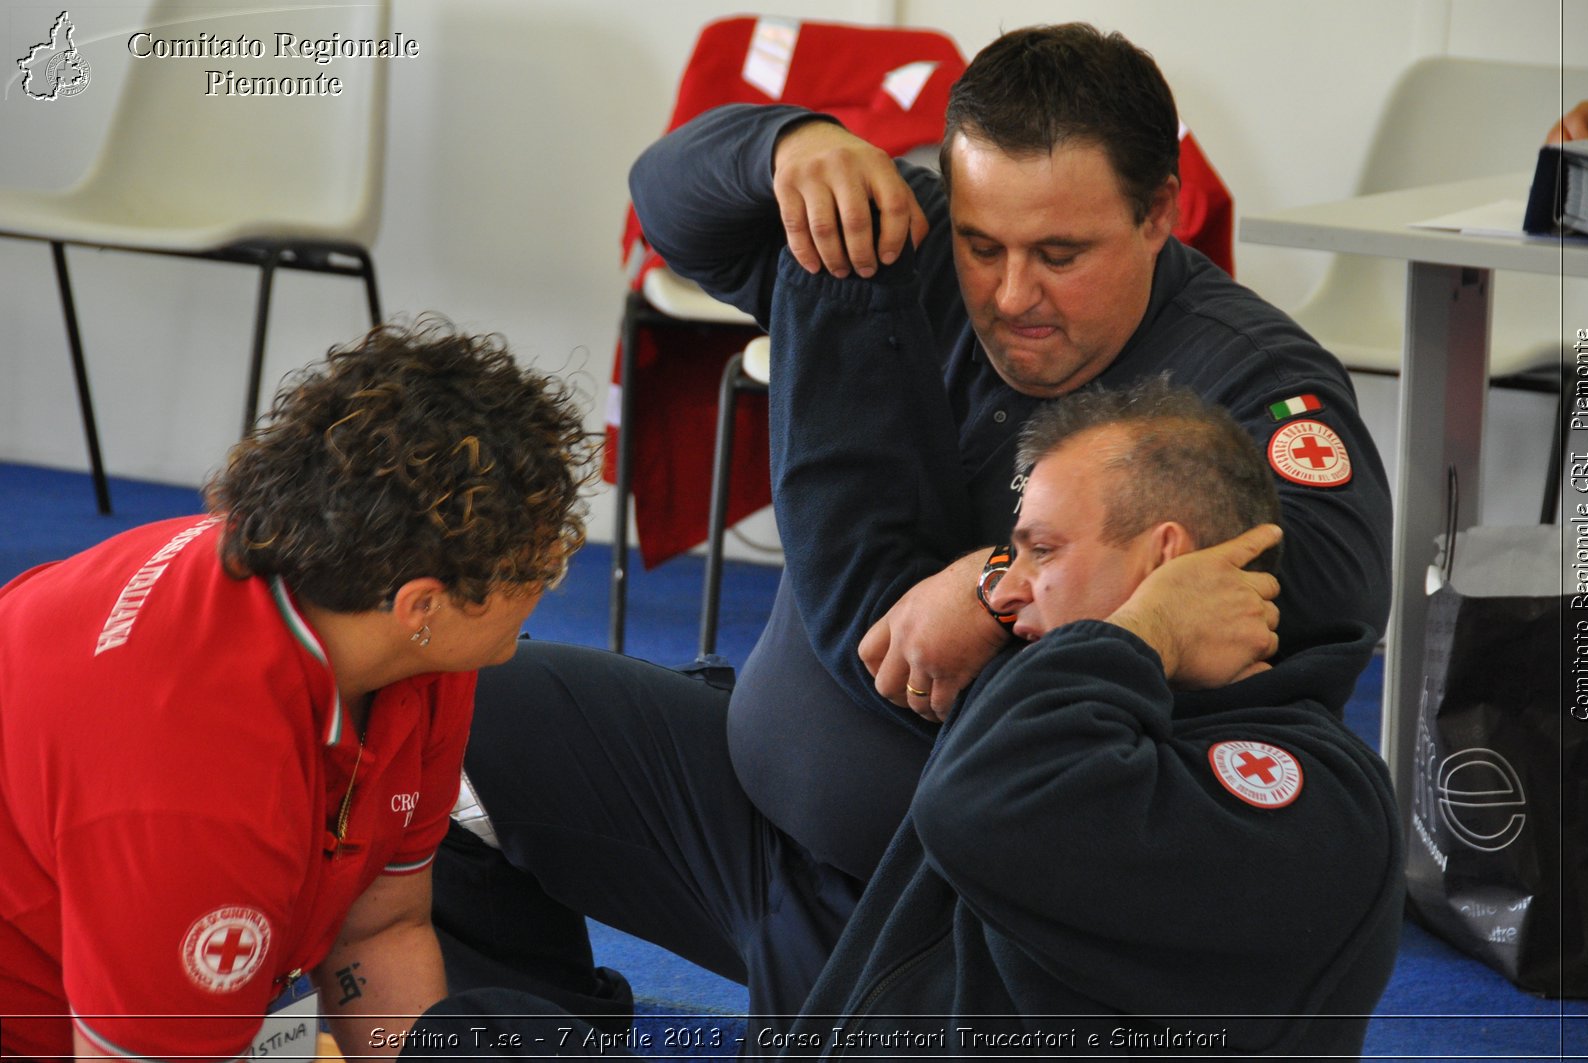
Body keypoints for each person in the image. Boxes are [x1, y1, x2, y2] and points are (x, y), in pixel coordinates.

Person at [436, 21, 1392, 1026]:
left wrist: (1014, 587)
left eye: (1061, 253)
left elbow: (1312, 589)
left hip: (953, 923)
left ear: (1161, 212)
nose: (1013, 294)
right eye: (985, 245)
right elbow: (667, 203)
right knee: (437, 716)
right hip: (749, 804)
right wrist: (788, 148)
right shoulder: (902, 241)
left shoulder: (1253, 379)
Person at [0, 320, 595, 1059]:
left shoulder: (404, 640)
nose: (544, 589)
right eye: (539, 572)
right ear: (423, 605)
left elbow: (380, 927)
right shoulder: (194, 780)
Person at [775, 374, 1404, 1060]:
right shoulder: (1064, 695)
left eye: (1041, 550)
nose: (1007, 592)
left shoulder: (1326, 802)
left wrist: (1146, 626)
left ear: (1167, 561)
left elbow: (978, 806)